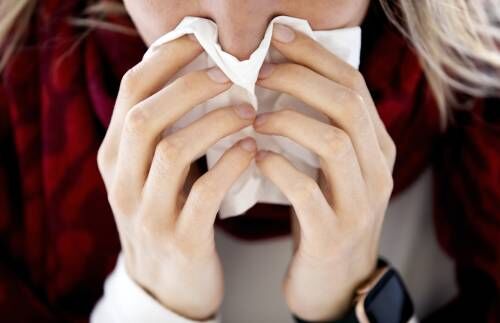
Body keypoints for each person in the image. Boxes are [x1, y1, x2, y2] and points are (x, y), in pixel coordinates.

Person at [0, 0, 498, 322]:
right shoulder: (16, 103)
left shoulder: (484, 117)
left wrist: (354, 302)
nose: (237, 43)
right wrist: (152, 301)